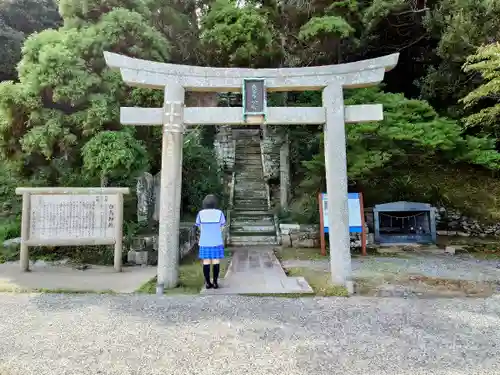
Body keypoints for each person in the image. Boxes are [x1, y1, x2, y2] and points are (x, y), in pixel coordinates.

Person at [195, 194, 226, 289]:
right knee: (216, 261)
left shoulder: (201, 213)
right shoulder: (219, 213)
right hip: (216, 241)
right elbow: (223, 226)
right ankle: (215, 282)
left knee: (206, 262)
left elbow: (199, 227)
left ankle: (208, 283)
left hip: (204, 242)